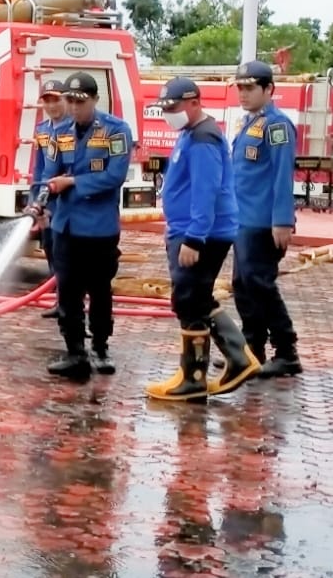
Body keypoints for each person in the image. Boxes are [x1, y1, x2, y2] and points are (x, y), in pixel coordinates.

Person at [145, 77, 260, 403]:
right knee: (194, 298)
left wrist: (194, 238)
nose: (169, 113)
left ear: (195, 102)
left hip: (201, 234)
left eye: (175, 107)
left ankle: (193, 378)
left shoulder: (204, 139)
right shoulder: (191, 134)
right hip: (193, 230)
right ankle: (237, 358)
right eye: (165, 108)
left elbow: (206, 192)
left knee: (188, 300)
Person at [36, 71, 132, 380]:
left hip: (99, 229)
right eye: (71, 101)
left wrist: (73, 181)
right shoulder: (59, 132)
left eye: (81, 101)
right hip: (65, 227)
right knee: (68, 291)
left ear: (95, 99)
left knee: (100, 290)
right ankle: (75, 351)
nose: (75, 107)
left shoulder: (116, 131)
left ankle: (101, 347)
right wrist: (39, 203)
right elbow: (49, 173)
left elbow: (114, 176)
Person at [231, 59, 301, 377]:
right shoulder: (250, 122)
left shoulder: (276, 126)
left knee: (260, 284)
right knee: (243, 285)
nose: (243, 94)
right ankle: (252, 349)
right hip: (242, 219)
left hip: (263, 221)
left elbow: (282, 175)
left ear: (269, 89)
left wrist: (283, 221)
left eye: (250, 88)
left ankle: (286, 351)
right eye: (240, 88)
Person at [29, 79, 72, 318]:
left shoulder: (73, 129)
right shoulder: (43, 130)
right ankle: (58, 298)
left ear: (65, 99)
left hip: (66, 198)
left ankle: (68, 302)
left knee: (64, 250)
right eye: (47, 100)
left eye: (56, 99)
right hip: (47, 198)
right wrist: (35, 201)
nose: (52, 105)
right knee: (49, 247)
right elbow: (39, 167)